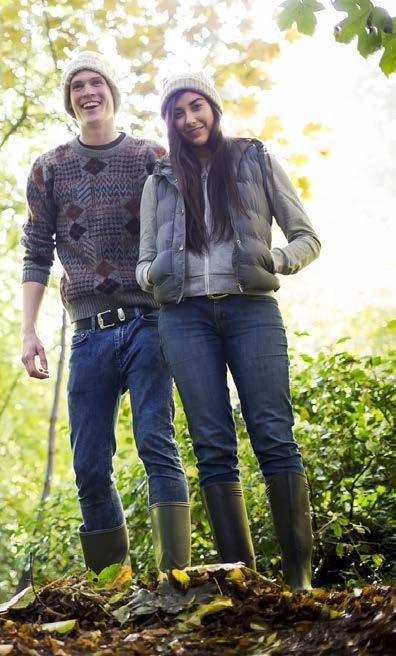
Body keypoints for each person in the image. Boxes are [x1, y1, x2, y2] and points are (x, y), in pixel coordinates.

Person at [136, 72, 321, 590]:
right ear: (168, 122)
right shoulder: (160, 179)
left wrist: (277, 259)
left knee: (273, 434)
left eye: (198, 107)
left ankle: (298, 579)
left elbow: (307, 236)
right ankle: (244, 581)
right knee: (213, 444)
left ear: (213, 109)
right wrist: (151, 275)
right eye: (178, 112)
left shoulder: (254, 159)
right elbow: (143, 260)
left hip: (251, 313)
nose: (190, 119)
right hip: (184, 318)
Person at [21, 51, 190, 575]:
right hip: (88, 333)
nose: (88, 92)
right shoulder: (48, 168)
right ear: (70, 101)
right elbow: (35, 250)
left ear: (113, 93)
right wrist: (29, 331)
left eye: (97, 83)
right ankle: (112, 586)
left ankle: (174, 579)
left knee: (155, 442)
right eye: (77, 87)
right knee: (89, 463)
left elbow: (181, 231)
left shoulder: (150, 156)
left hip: (149, 323)